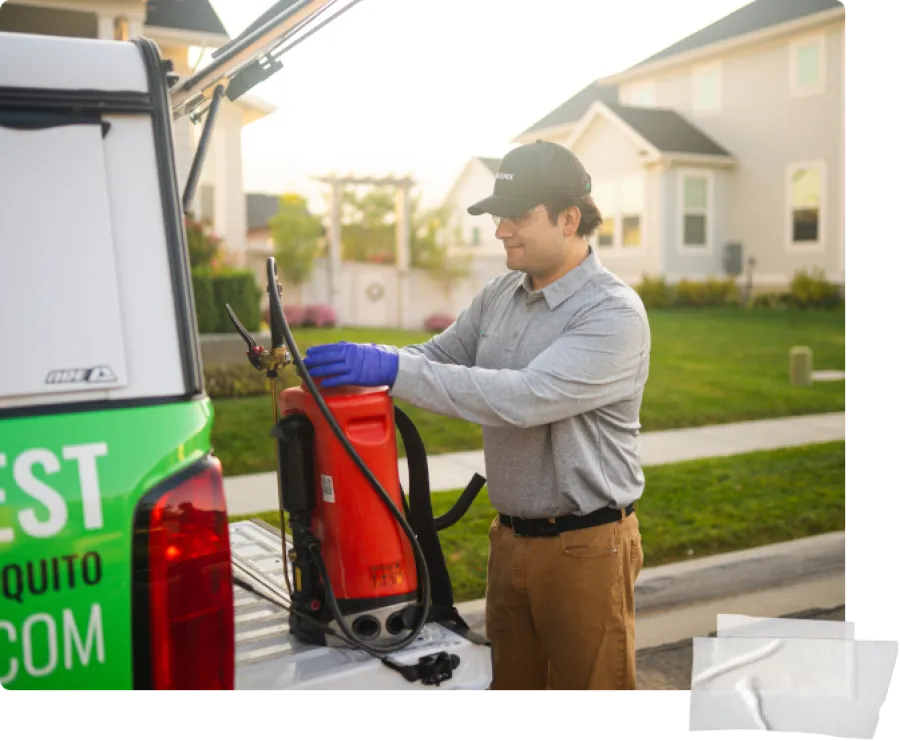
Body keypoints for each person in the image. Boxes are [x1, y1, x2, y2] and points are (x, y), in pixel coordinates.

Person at [280, 140, 650, 694]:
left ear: (569, 219)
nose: (501, 230)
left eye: (517, 216)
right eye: (499, 216)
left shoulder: (612, 313)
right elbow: (436, 359)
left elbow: (524, 399)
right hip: (510, 543)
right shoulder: (501, 293)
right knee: (509, 688)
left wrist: (389, 369)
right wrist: (370, 365)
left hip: (586, 550)